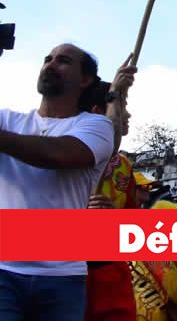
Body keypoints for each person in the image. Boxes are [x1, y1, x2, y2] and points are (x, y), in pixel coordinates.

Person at [0, 45, 130, 321]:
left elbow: (58, 155)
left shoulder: (97, 127)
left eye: (63, 61)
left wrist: (118, 94)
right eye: (47, 59)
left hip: (62, 277)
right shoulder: (6, 120)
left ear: (85, 79)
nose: (50, 65)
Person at [82, 79, 138, 321]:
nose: (128, 114)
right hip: (69, 277)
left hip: (113, 282)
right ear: (97, 113)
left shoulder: (123, 166)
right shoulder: (69, 157)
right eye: (121, 105)